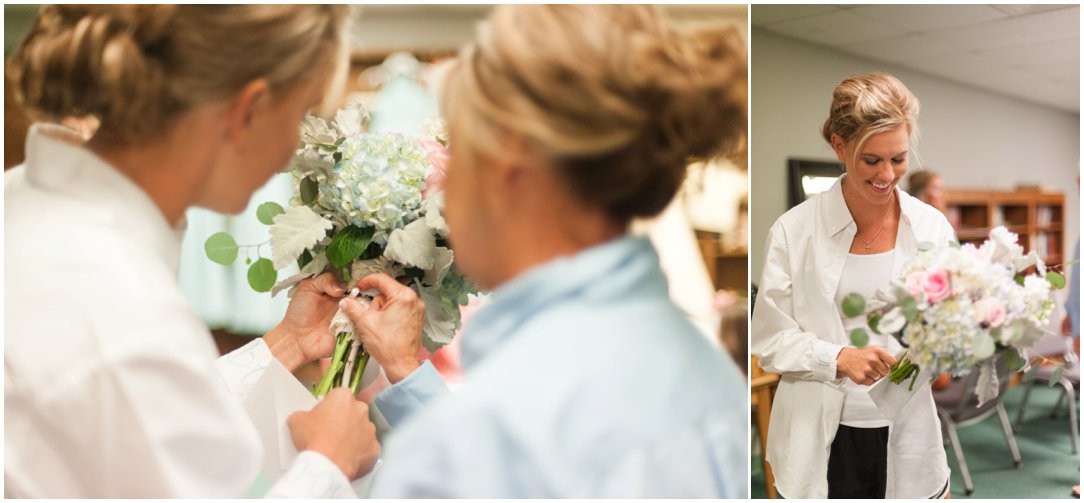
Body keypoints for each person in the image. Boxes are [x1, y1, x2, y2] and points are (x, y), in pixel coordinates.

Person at [337, 5, 749, 497]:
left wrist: (322, 470)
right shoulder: (707, 373)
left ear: (507, 161)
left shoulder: (479, 436)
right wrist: (409, 377)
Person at [5, 5, 378, 497]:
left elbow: (133, 421)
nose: (294, 143)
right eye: (302, 112)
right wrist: (328, 463)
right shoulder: (127, 314)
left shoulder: (19, 198)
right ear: (248, 110)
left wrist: (288, 344)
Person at [751, 72, 953, 499]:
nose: (887, 174)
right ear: (839, 147)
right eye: (872, 160)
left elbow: (949, 317)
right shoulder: (793, 231)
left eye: (898, 159)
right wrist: (838, 357)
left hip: (907, 429)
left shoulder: (931, 226)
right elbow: (769, 340)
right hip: (822, 434)